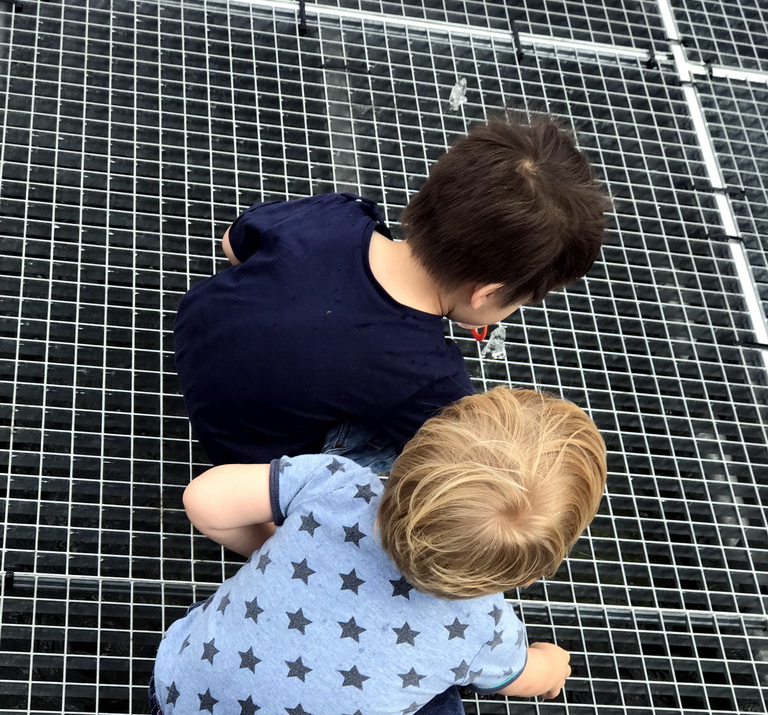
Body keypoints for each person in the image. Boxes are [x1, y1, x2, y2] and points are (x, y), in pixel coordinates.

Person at [150, 387, 607, 715]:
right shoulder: (481, 627)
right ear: (534, 572)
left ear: (409, 454)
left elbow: (203, 500)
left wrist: (274, 549)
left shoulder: (337, 482)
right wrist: (551, 663)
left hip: (170, 691)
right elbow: (526, 679)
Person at [174, 113, 610, 469]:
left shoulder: (337, 214)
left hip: (194, 341)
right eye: (520, 301)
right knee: (427, 449)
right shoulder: (426, 377)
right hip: (246, 459)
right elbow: (460, 463)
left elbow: (233, 241)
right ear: (485, 293)